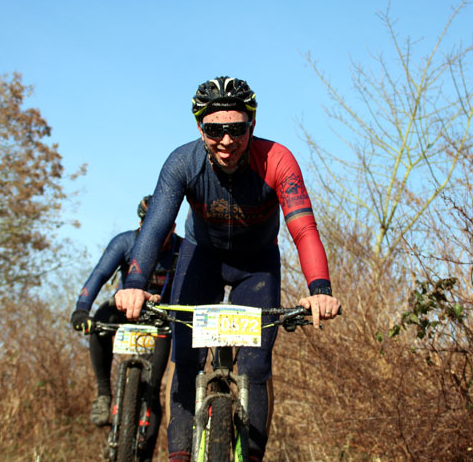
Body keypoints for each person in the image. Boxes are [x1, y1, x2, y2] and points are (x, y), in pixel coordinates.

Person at [115, 76, 341, 462]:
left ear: (251, 124)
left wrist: (319, 288)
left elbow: (303, 227)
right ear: (199, 128)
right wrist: (135, 282)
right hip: (200, 258)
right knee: (186, 362)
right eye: (214, 129)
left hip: (257, 266)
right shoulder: (182, 162)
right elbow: (156, 226)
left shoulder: (277, 160)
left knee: (255, 369)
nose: (226, 140)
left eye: (236, 129)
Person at [70, 195, 183, 457]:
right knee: (99, 321)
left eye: (163, 228)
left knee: (152, 389)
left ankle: (144, 455)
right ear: (141, 223)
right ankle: (103, 394)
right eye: (148, 226)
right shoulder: (125, 242)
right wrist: (81, 309)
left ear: (173, 228)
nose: (154, 233)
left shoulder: (181, 248)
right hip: (125, 311)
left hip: (160, 319)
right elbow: (99, 274)